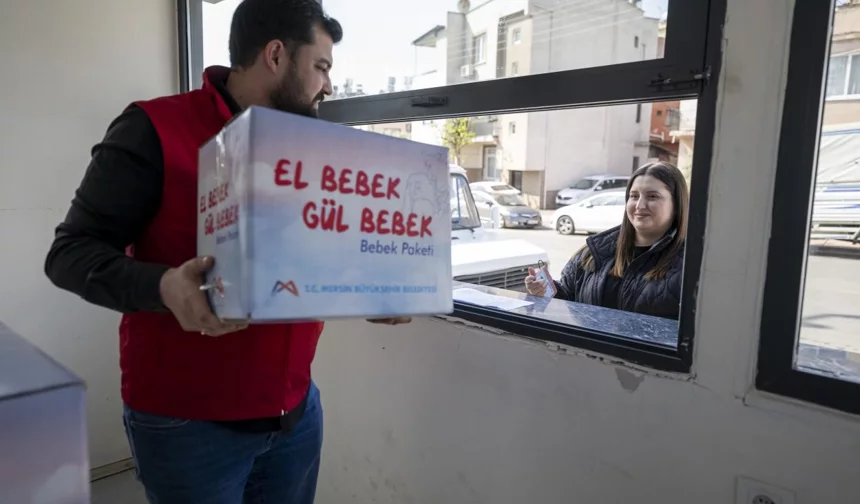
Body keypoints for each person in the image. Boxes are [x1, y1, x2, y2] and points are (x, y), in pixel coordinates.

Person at [44, 1, 408, 502]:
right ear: (276, 55)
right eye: (321, 67)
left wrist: (376, 288)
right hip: (187, 426)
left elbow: (319, 257)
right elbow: (68, 253)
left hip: (296, 414)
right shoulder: (152, 129)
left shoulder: (310, 149)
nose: (329, 86)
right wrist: (163, 286)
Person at [525, 162, 688, 320]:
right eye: (634, 196)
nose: (639, 205)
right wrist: (543, 290)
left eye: (652, 196)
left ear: (676, 205)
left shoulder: (691, 266)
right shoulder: (594, 251)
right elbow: (567, 297)